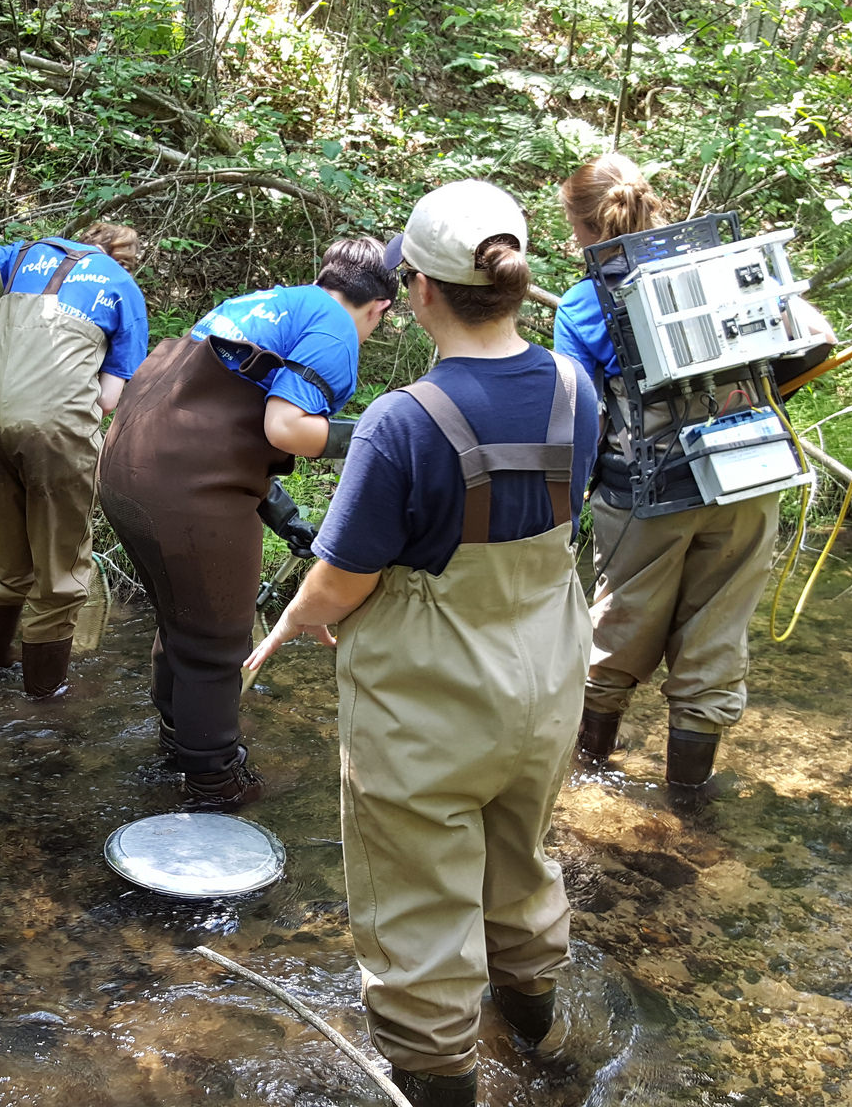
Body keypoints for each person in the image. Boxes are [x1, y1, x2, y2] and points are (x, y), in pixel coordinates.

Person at [247, 179, 600, 1106]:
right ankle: (542, 1040)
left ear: (419, 290)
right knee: (519, 861)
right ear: (518, 285)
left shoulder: (403, 422)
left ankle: (442, 1077)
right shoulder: (576, 386)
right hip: (549, 679)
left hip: (431, 700)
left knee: (417, 907)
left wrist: (294, 618)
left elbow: (343, 581)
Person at [555, 153, 830, 796]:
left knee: (615, 637)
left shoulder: (584, 301)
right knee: (714, 647)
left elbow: (579, 414)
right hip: (749, 476)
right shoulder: (721, 266)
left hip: (648, 493)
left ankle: (588, 786)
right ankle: (687, 807)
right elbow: (816, 337)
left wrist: (566, 511)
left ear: (583, 227)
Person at [98, 238, 393, 809]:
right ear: (378, 307)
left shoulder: (270, 302)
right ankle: (215, 785)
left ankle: (178, 748)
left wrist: (284, 517)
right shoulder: (335, 328)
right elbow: (284, 429)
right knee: (215, 644)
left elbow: (218, 422)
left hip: (128, 467)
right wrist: (382, 430)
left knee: (182, 621)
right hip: (184, 487)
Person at [0, 223, 149, 698]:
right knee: (61, 577)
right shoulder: (121, 286)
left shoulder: (25, 256)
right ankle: (44, 703)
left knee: (11, 564)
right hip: (55, 432)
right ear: (124, 260)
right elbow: (109, 399)